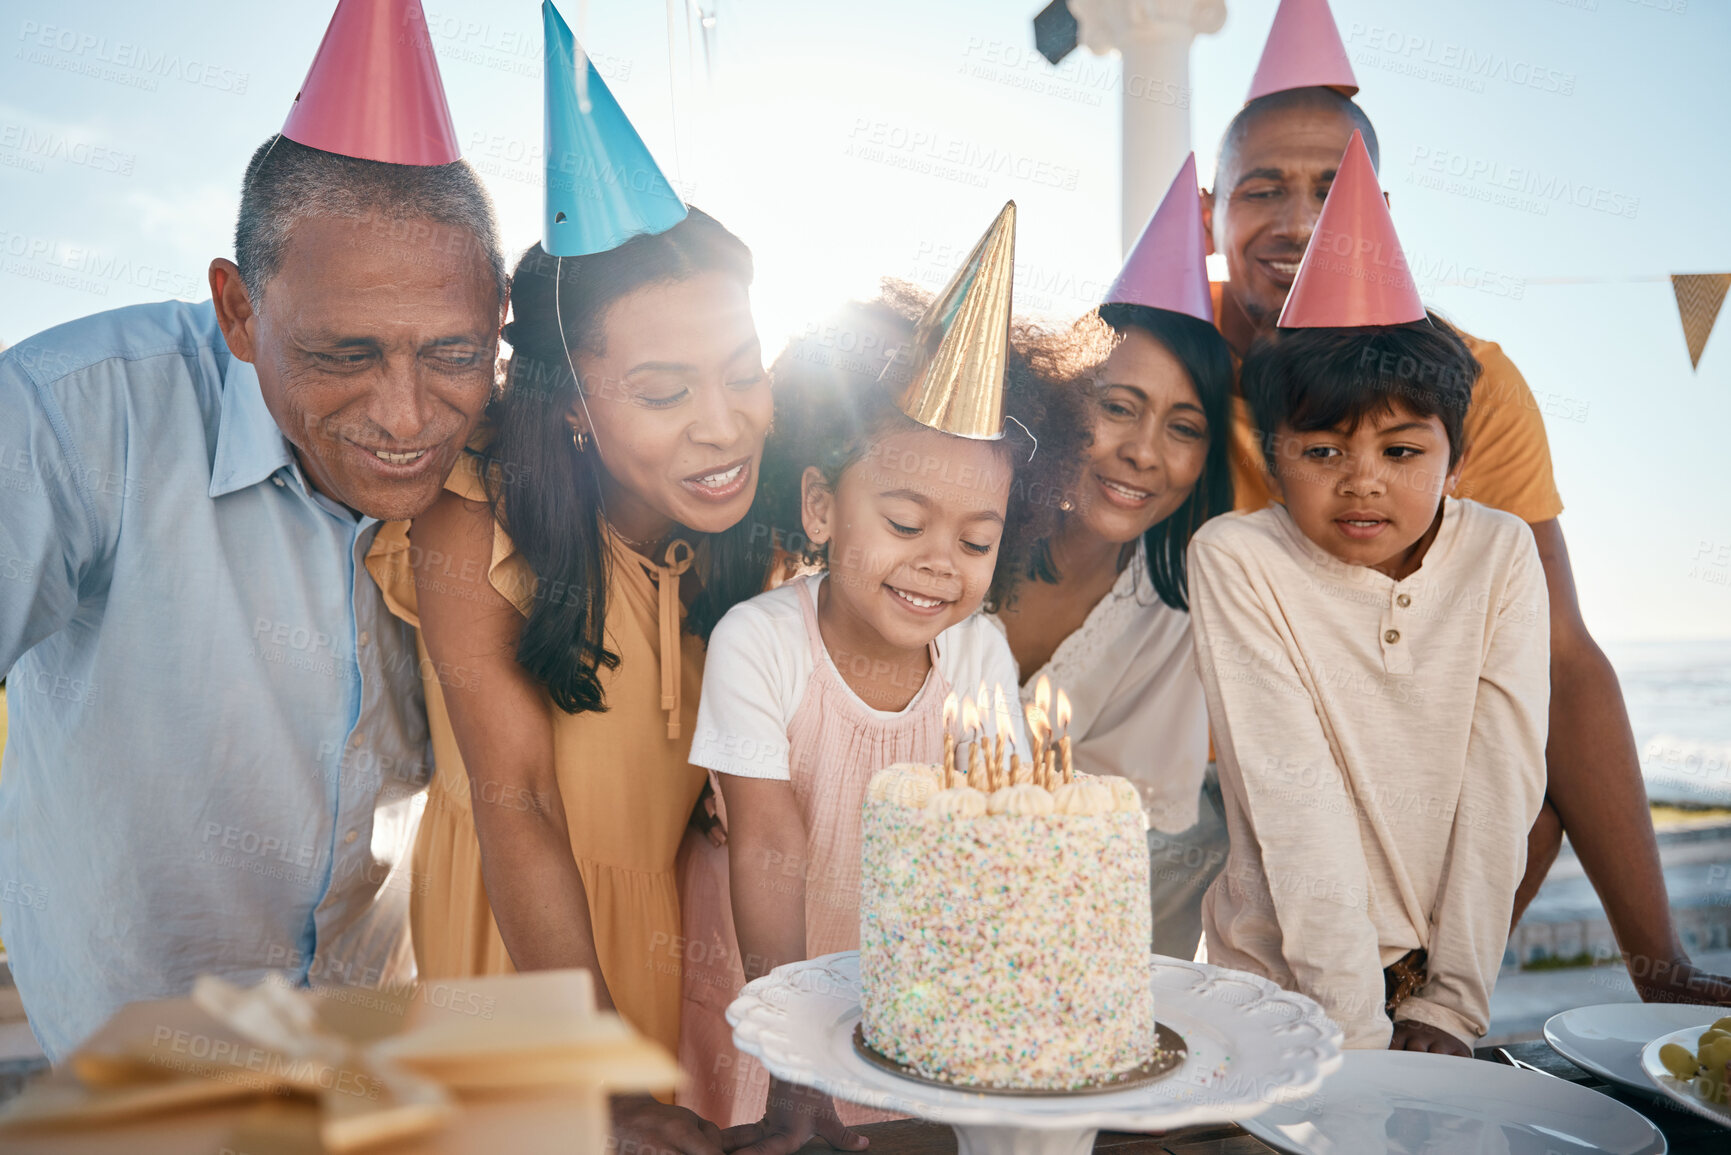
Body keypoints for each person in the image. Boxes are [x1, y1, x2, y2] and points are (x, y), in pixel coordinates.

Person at [1203, 82, 1731, 1005]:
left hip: (1393, 772)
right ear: (1209, 211)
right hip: (1212, 776)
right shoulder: (1153, 367)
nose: (1299, 222)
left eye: (1332, 188)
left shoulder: (1465, 384)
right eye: (1261, 188)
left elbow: (1558, 660)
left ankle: (1423, 1004)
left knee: (1517, 785)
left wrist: (1664, 967)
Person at [360, 10, 776, 1151]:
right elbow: (519, 806)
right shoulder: (474, 524)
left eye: (742, 371)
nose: (724, 424)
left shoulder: (751, 544)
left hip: (677, 953)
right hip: (527, 966)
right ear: (572, 407)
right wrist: (600, 1079)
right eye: (663, 391)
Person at [0, 129, 505, 1056]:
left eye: (452, 352)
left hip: (374, 1032)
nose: (406, 417)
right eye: (346, 353)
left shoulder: (506, 449)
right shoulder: (69, 412)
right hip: (134, 1059)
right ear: (238, 310)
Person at [691, 208, 1040, 1152]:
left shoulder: (977, 653)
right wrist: (796, 1058)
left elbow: (990, 834)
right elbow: (767, 841)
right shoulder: (758, 643)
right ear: (820, 506)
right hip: (766, 983)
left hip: (908, 1003)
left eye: (976, 539)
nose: (939, 562)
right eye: (904, 520)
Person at [1192, 138, 1549, 1051]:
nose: (1361, 482)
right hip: (1276, 986)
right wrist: (1354, 1035)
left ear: (1455, 460)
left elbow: (1500, 779)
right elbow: (1289, 793)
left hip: (1434, 987)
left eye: (1400, 451)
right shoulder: (1240, 558)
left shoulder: (1501, 552)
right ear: (1274, 455)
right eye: (1321, 451)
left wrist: (1451, 1004)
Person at [992, 155, 1233, 962]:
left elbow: (1123, 835)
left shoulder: (1173, 614)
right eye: (1117, 407)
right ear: (1064, 400)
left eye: (1183, 427)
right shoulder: (958, 534)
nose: (1142, 453)